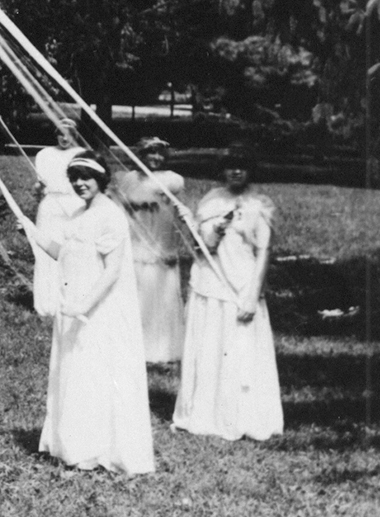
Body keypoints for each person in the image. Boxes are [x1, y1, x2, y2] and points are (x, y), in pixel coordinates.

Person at [21, 155, 155, 475]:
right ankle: (73, 444)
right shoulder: (80, 213)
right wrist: (30, 230)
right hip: (73, 306)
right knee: (75, 371)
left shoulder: (110, 215)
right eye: (75, 178)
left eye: (87, 177)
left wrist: (84, 305)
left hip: (97, 308)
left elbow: (112, 272)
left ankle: (94, 449)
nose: (80, 183)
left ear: (101, 179)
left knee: (94, 373)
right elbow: (61, 253)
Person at [173, 160, 283, 441]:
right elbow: (203, 248)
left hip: (241, 285)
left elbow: (263, 251)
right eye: (230, 166)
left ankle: (240, 415)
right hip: (211, 283)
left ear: (251, 170)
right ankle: (205, 414)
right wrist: (214, 228)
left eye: (242, 166)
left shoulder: (260, 204)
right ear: (221, 170)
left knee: (239, 350)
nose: (236, 171)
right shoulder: (212, 200)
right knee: (210, 347)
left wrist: (252, 294)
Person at [110, 137, 187, 363]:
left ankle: (160, 349)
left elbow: (176, 217)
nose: (155, 158)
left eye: (159, 153)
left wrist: (170, 247)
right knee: (135, 297)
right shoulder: (127, 179)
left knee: (159, 298)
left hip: (160, 244)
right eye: (149, 152)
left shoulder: (173, 180)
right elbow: (117, 208)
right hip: (133, 245)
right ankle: (130, 346)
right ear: (140, 154)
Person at [30, 121, 83, 317]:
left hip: (75, 205)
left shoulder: (81, 154)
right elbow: (40, 183)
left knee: (73, 251)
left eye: (69, 134)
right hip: (50, 207)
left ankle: (71, 300)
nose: (65, 138)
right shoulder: (44, 154)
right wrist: (38, 190)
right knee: (46, 251)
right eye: (61, 133)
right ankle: (46, 304)